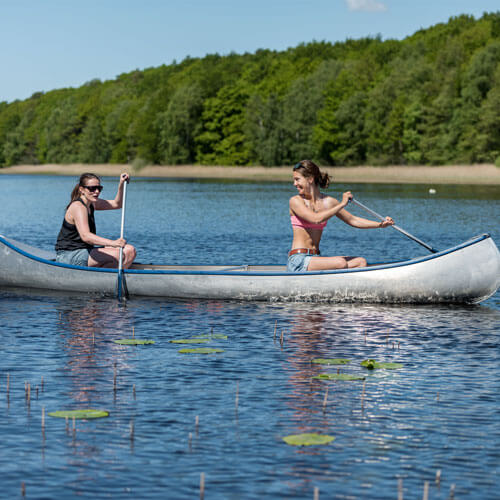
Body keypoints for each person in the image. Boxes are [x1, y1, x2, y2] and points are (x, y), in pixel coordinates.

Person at [287, 160, 394, 272]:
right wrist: (342, 204)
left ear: (310, 179)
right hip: (298, 260)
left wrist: (380, 224)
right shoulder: (295, 201)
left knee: (361, 262)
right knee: (340, 263)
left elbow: (353, 220)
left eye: (297, 179)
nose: (294, 184)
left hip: (315, 258)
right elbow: (315, 219)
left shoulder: (329, 202)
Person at [55, 172, 136, 268]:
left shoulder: (92, 203)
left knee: (130, 250)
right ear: (82, 190)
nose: (97, 191)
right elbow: (86, 236)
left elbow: (117, 204)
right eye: (92, 188)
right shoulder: (78, 207)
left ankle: (109, 279)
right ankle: (103, 280)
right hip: (68, 255)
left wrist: (121, 184)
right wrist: (113, 243)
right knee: (118, 255)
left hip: (85, 251)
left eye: (99, 188)